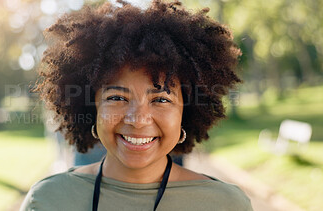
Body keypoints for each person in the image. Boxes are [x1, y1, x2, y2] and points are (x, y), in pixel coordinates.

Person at [21, 0, 252, 210]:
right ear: (93, 106)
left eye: (161, 100)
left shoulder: (225, 205)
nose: (138, 119)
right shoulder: (48, 200)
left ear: (186, 111)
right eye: (117, 98)